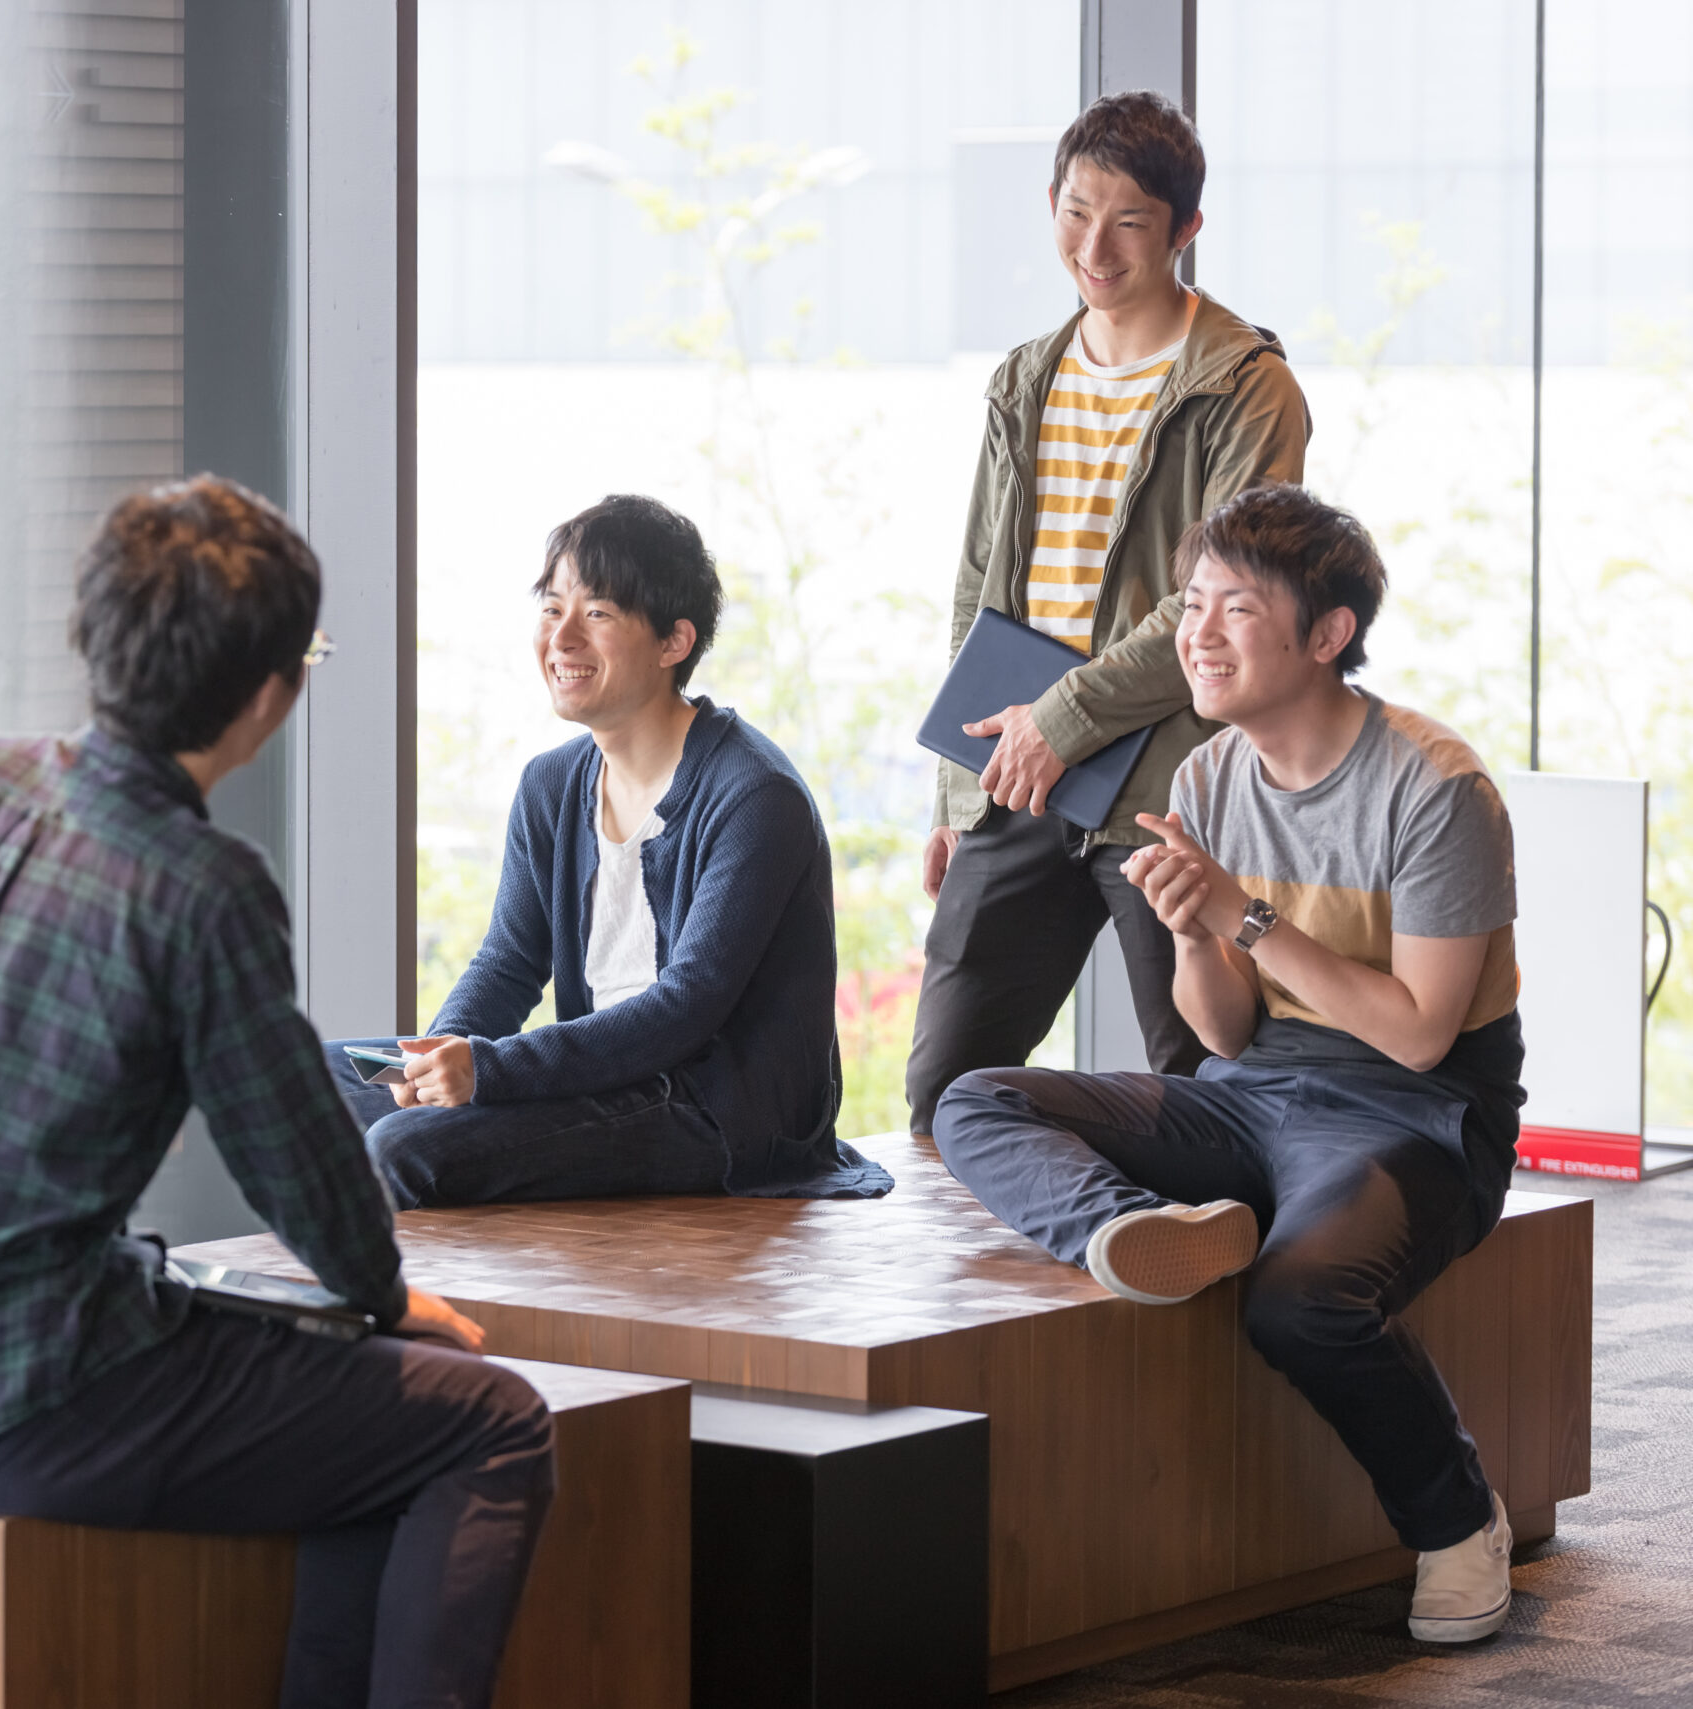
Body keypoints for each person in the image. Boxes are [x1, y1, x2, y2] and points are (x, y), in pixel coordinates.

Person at [0, 475, 553, 1709]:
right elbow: (301, 1165)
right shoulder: (201, 883)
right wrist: (381, 1294)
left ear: (91, 634)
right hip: (35, 1394)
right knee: (489, 1418)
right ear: (268, 694)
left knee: (365, 1406)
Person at [933, 484, 1525, 1644]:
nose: (1196, 634)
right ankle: (1122, 1230)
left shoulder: (1435, 786)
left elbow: (1418, 1029)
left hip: (1415, 1112)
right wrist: (1199, 934)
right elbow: (1221, 1034)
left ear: (1326, 634)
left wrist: (1243, 915)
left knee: (1301, 1306)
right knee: (976, 1094)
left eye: (1234, 609)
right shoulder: (1204, 777)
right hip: (1257, 1093)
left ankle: (1458, 1522)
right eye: (1190, 603)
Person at [907, 89, 1311, 1137]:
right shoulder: (1024, 378)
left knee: (1206, 1084)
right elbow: (977, 584)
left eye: (1129, 220)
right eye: (1076, 211)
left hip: (1163, 783)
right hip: (1013, 776)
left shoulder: (1245, 386)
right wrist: (960, 787)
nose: (1095, 245)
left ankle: (1194, 1290)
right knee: (941, 1093)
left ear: (1183, 231)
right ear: (1050, 202)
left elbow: (1221, 605)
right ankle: (1018, 1290)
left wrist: (1064, 719)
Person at [326, 494, 892, 1207]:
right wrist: (437, 1058)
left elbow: (686, 1007)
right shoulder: (552, 783)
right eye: (551, 607)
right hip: (601, 1079)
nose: (561, 637)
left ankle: (398, 1307)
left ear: (673, 642)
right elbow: (506, 963)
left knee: (404, 1148)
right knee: (316, 1081)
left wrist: (489, 1071)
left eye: (596, 613)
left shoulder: (756, 796)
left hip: (713, 1108)